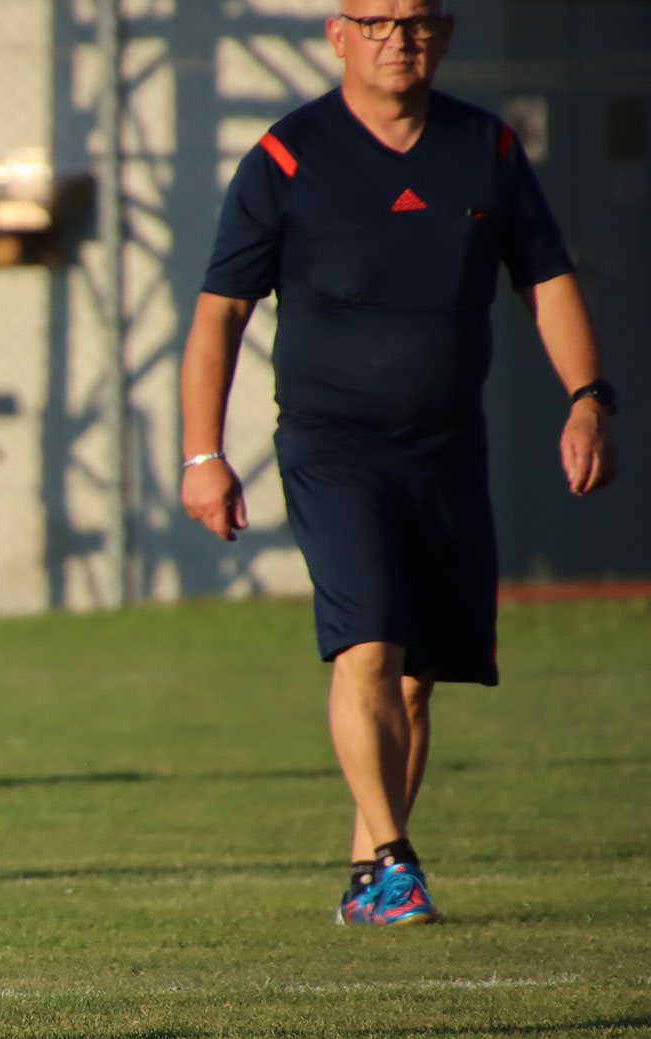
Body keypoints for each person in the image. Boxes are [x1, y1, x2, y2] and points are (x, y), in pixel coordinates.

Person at [179, 0, 617, 926]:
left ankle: (365, 879)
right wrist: (204, 453)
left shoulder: (487, 150)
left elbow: (546, 279)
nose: (396, 39)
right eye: (374, 21)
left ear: (444, 34)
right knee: (368, 644)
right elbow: (220, 311)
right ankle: (394, 856)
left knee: (417, 677)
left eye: (415, 21)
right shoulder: (287, 158)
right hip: (332, 449)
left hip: (449, 450)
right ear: (338, 35)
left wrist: (588, 397)